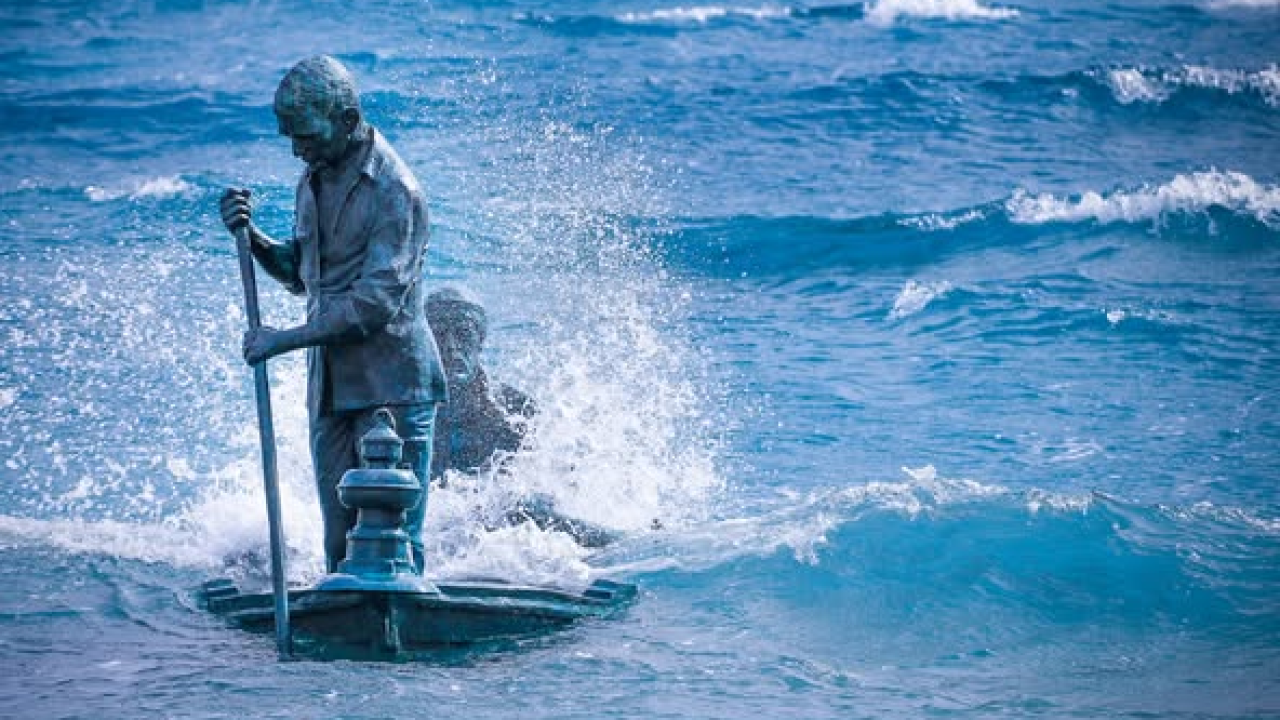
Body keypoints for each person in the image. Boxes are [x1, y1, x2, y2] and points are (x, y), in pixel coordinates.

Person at [220, 55, 447, 574]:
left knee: (392, 546)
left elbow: (374, 303)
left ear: (346, 121)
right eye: (289, 137)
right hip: (331, 386)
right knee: (339, 544)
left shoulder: (397, 193)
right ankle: (339, 653)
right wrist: (250, 238)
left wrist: (283, 340)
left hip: (391, 385)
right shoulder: (315, 176)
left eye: (306, 136)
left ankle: (401, 648)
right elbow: (304, 275)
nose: (297, 149)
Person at [426, 287, 618, 548]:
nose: (450, 347)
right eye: (439, 336)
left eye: (462, 334)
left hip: (498, 528)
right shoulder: (405, 409)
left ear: (480, 342)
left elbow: (539, 485)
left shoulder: (515, 409)